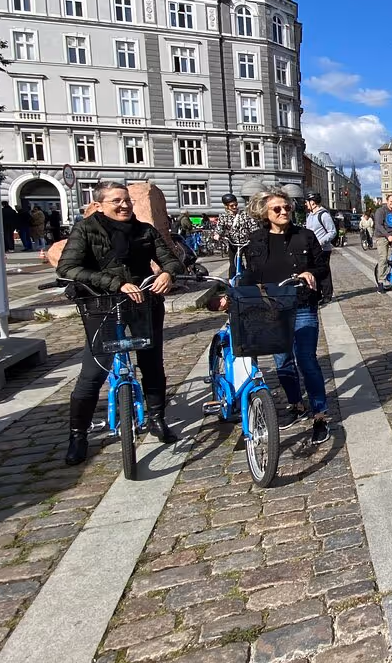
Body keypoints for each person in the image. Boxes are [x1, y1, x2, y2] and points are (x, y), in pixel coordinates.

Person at [57, 181, 184, 466]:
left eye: (127, 200)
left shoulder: (144, 230)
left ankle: (156, 419)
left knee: (152, 363)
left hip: (143, 303)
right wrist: (116, 283)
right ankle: (78, 435)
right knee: (93, 370)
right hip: (100, 304)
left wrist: (168, 274)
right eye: (117, 201)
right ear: (100, 205)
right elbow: (67, 268)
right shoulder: (86, 229)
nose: (125, 205)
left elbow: (172, 260)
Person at [233, 190, 332, 442]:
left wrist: (310, 272)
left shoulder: (305, 236)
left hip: (302, 305)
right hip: (272, 308)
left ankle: (320, 414)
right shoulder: (256, 240)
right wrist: (233, 293)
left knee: (307, 359)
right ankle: (296, 404)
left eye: (287, 207)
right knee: (282, 361)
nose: (284, 212)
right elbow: (249, 274)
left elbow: (322, 266)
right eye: (277, 209)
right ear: (266, 214)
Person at [303, 192, 336, 304]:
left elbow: (332, 232)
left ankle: (327, 295)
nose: (305, 204)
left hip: (323, 249)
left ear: (313, 202)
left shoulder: (324, 215)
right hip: (312, 249)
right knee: (314, 271)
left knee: (324, 272)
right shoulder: (310, 215)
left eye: (307, 202)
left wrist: (320, 242)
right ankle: (317, 294)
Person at [215, 193, 257, 280]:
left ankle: (252, 280)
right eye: (232, 205)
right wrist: (217, 234)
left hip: (246, 243)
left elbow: (253, 226)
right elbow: (220, 228)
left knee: (251, 262)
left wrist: (254, 235)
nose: (234, 207)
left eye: (236, 204)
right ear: (226, 206)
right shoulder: (223, 217)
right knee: (233, 265)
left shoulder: (245, 214)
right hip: (233, 243)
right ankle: (231, 283)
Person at [374, 193, 392, 265]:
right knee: (383, 259)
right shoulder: (380, 211)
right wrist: (388, 236)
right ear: (387, 201)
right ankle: (381, 276)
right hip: (382, 236)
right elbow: (379, 225)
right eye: (391, 201)